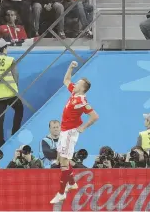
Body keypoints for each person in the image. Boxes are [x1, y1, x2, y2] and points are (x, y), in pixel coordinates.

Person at [50, 61, 99, 204]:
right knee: (61, 159)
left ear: (83, 88)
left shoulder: (81, 100)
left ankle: (61, 193)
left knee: (64, 162)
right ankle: (72, 183)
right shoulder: (73, 92)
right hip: (64, 131)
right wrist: (70, 67)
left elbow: (95, 116)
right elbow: (66, 80)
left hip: (70, 132)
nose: (75, 84)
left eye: (78, 83)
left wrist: (83, 127)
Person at [0, 38, 24, 147]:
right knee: (19, 108)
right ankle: (15, 133)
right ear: (4, 49)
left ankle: (1, 144)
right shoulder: (10, 60)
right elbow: (15, 76)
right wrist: (16, 88)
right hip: (10, 92)